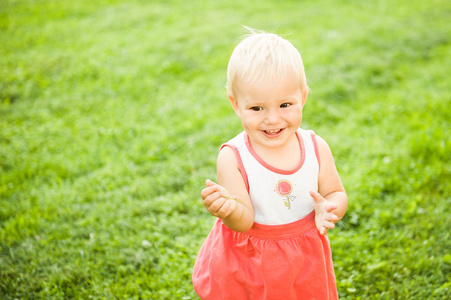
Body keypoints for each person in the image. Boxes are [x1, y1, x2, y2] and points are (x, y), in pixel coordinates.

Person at [192, 27, 348, 299]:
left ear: (303, 98)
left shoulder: (315, 147)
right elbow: (243, 221)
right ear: (236, 104)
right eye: (257, 108)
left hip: (303, 257)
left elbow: (336, 192)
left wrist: (330, 208)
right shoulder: (233, 157)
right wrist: (228, 209)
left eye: (285, 105)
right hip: (251, 261)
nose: (273, 119)